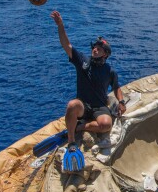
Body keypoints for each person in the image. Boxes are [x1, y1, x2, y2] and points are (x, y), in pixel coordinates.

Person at [51, 10, 126, 171]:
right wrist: (60, 25)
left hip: (99, 106)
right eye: (95, 47)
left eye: (100, 48)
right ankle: (71, 141)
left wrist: (121, 102)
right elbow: (67, 45)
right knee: (72, 105)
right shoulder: (83, 61)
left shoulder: (109, 70)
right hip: (83, 105)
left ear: (106, 54)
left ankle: (79, 127)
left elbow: (116, 87)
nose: (95, 49)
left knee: (106, 125)